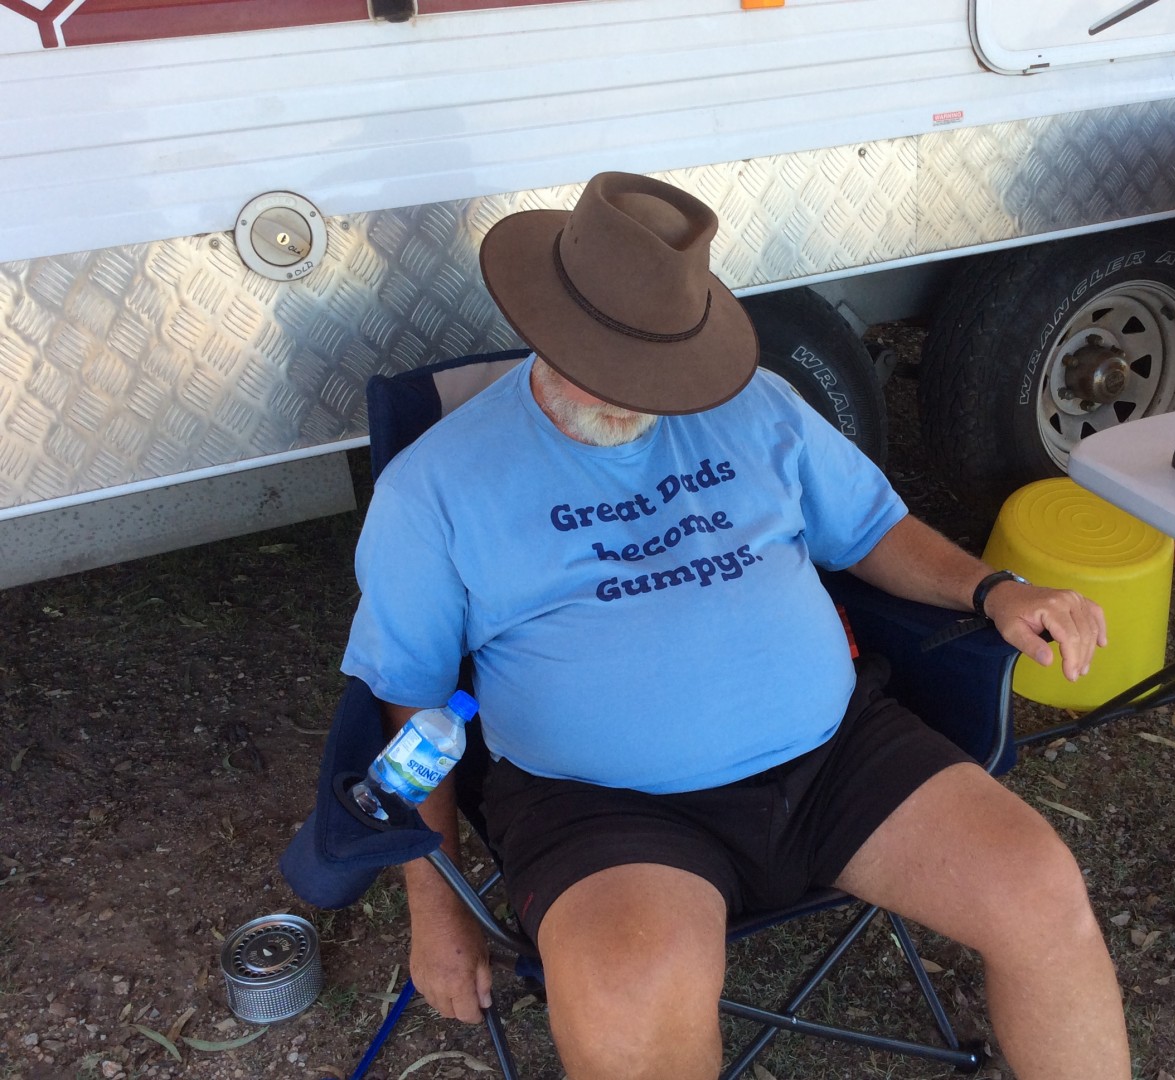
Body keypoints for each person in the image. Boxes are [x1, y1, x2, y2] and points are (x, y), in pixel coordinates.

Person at [342, 171, 1131, 1080]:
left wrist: (990, 589)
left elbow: (871, 528)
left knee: (1040, 894)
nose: (635, 399)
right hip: (603, 806)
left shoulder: (752, 404)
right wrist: (436, 907)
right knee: (630, 1004)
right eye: (610, 370)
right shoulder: (435, 486)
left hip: (837, 756)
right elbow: (409, 701)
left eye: (659, 375)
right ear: (546, 331)